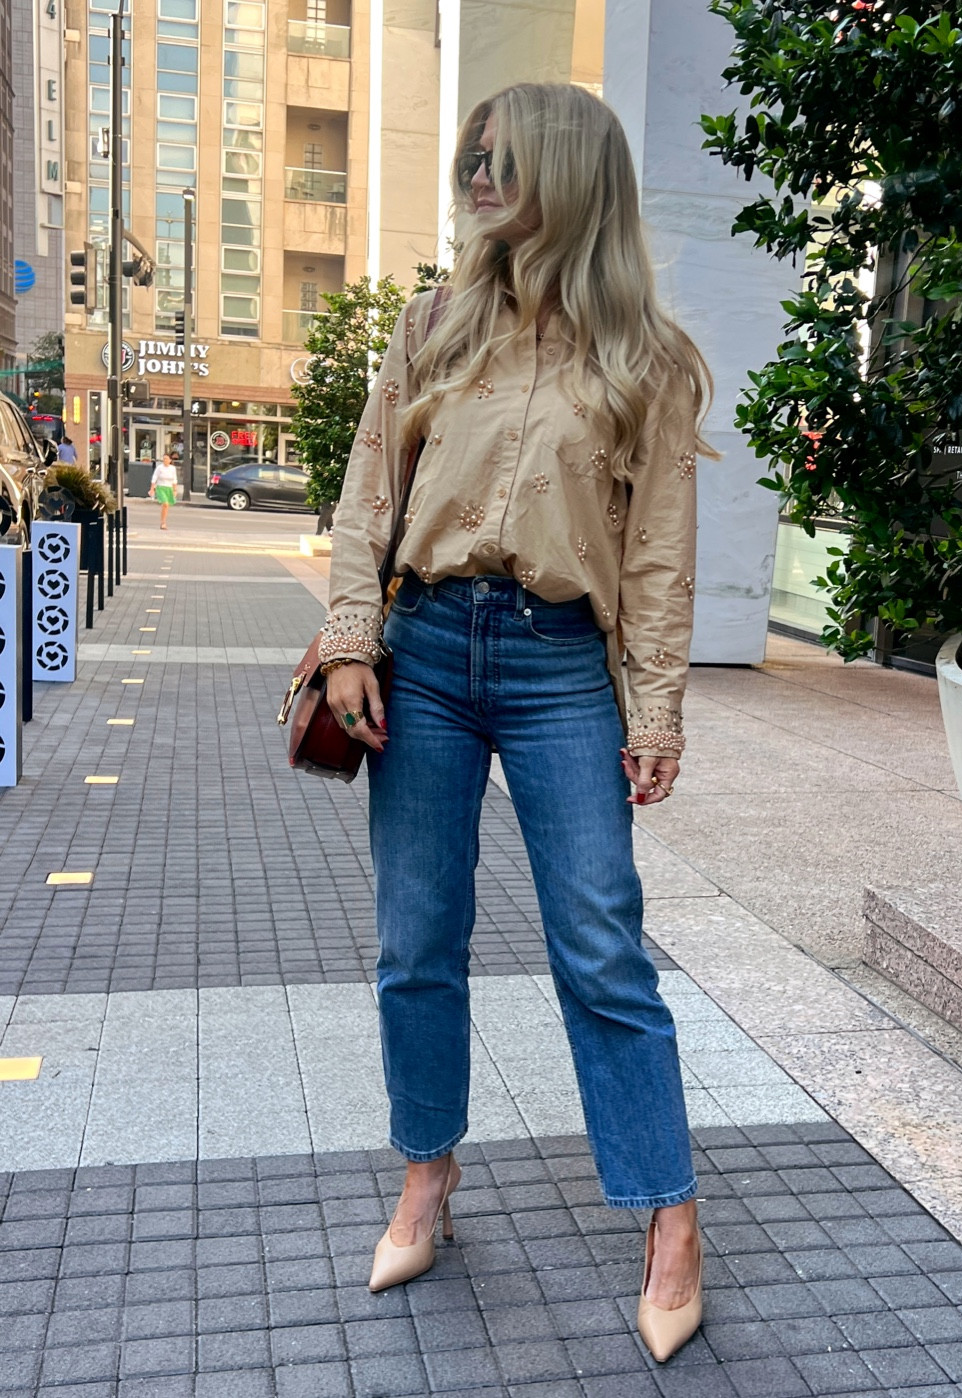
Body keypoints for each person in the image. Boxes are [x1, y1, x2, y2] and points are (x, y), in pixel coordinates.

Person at [320, 83, 715, 1362]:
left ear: (573, 175)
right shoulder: (432, 324)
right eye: (471, 156)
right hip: (426, 648)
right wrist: (347, 643)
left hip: (558, 666)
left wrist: (654, 707)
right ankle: (427, 1176)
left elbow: (657, 553)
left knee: (601, 944)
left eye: (504, 158)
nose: (479, 175)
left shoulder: (645, 361)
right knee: (415, 937)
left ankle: (670, 1223)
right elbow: (367, 497)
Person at [149, 453, 178, 529]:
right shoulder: (159, 468)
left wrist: (175, 490)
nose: (164, 460)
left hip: (169, 488)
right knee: (165, 504)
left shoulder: (172, 468)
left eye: (166, 459)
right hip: (161, 487)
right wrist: (152, 489)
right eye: (164, 459)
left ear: (170, 460)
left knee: (167, 506)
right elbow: (154, 478)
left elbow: (174, 479)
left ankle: (164, 520)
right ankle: (163, 523)